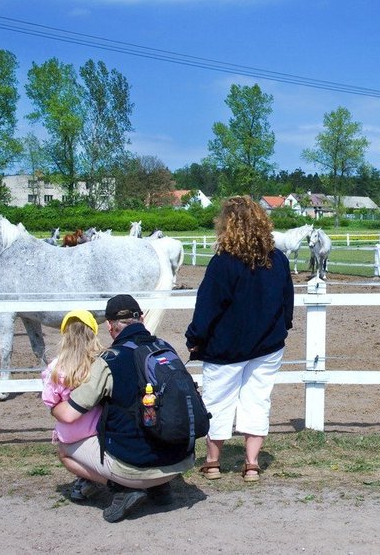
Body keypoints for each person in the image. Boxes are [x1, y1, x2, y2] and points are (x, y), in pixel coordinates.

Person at [50, 294, 194, 523]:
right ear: (142, 318)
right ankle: (160, 487)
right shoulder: (165, 348)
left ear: (109, 326)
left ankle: (121, 488)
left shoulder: (110, 360)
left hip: (134, 469)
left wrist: (53, 407)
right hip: (180, 461)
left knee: (64, 449)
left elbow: (69, 414)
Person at [185, 195, 295, 483]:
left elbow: (207, 306)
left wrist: (194, 338)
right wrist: (280, 328)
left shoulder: (222, 264)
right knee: (257, 401)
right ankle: (252, 464)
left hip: (226, 348)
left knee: (217, 401)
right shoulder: (278, 260)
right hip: (267, 346)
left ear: (226, 225)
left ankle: (212, 463)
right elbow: (287, 302)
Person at [40, 309, 106, 503]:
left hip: (70, 433)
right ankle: (96, 479)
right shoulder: (97, 364)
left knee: (65, 454)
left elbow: (49, 400)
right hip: (97, 429)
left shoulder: (55, 368)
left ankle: (90, 480)